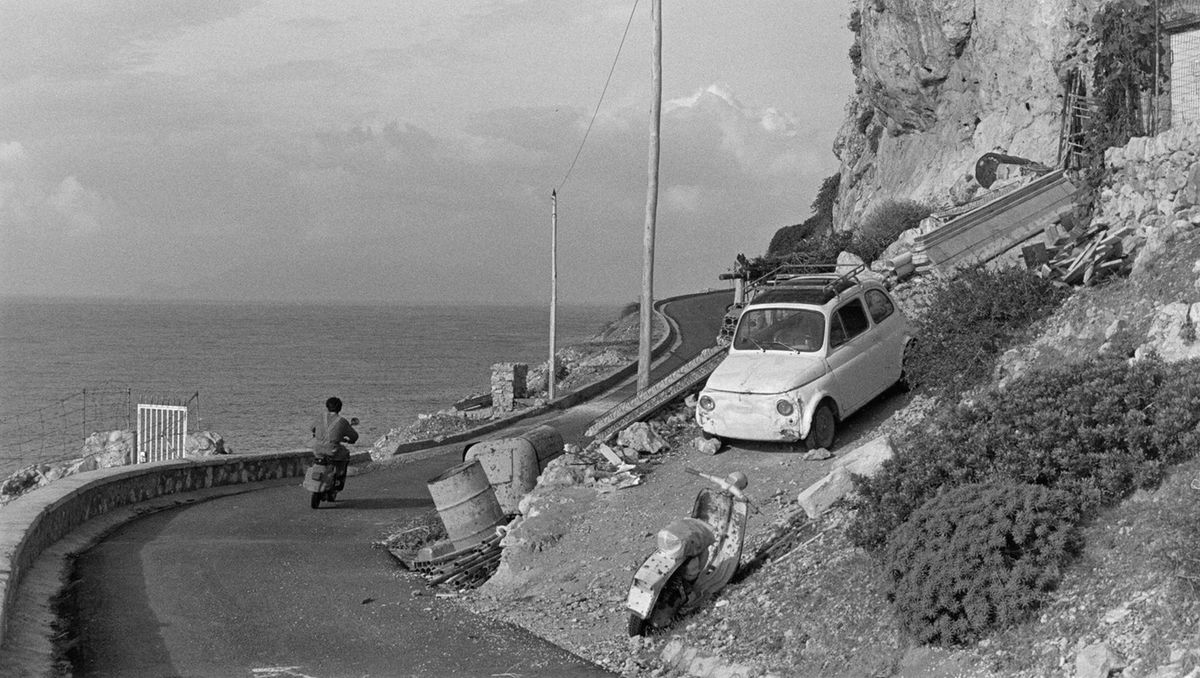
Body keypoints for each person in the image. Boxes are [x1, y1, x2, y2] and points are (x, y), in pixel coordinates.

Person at [310, 397, 359, 497]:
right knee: (345, 455)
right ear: (340, 408)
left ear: (327, 407)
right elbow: (354, 436)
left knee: (318, 458)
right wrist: (351, 440)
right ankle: (339, 479)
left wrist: (317, 433)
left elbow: (312, 428)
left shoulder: (320, 417)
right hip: (332, 450)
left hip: (317, 449)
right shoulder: (342, 421)